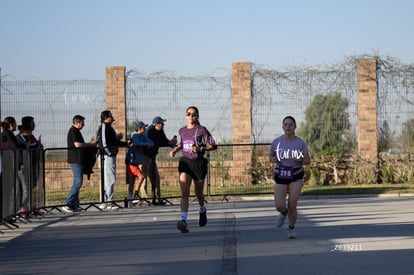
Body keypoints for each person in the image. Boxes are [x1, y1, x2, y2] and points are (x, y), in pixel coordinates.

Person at [169, 106, 217, 233]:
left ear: (197, 117)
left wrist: (201, 149)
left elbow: (213, 145)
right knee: (184, 191)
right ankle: (183, 220)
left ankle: (202, 209)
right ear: (185, 116)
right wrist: (175, 150)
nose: (191, 116)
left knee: (198, 193)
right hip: (185, 162)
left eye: (194, 114)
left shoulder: (202, 130)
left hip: (198, 163)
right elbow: (183, 143)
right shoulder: (182, 131)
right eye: (188, 114)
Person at [269, 116, 311, 239]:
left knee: (292, 204)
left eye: (290, 124)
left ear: (295, 127)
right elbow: (270, 158)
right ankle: (283, 212)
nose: (288, 127)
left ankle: (291, 229)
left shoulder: (300, 143)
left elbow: (308, 161)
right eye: (286, 125)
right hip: (281, 174)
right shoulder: (276, 142)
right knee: (279, 205)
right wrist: (274, 159)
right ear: (283, 127)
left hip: (296, 174)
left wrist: (300, 159)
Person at [62, 115, 98, 213]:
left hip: (80, 160)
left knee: (77, 182)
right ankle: (67, 203)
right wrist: (91, 144)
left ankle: (75, 204)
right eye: (82, 123)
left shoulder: (76, 131)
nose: (83, 125)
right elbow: (77, 145)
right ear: (77, 123)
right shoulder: (73, 131)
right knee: (78, 183)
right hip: (76, 160)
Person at [97, 110, 127, 210]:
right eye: (110, 116)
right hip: (107, 156)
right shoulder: (104, 127)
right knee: (109, 179)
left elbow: (113, 142)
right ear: (105, 118)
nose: (112, 118)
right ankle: (109, 202)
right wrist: (109, 153)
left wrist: (125, 143)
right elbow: (104, 143)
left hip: (110, 156)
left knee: (109, 178)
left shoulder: (109, 128)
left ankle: (106, 200)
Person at [144, 116, 177, 205]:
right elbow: (154, 142)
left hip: (153, 157)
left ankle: (157, 197)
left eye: (163, 123)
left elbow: (164, 141)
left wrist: (171, 143)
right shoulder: (150, 131)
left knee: (156, 178)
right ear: (156, 124)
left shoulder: (160, 131)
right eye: (161, 123)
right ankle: (145, 199)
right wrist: (167, 143)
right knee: (143, 178)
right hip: (145, 157)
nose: (163, 125)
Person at [1, 117, 27, 217]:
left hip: (12, 165)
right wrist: (24, 145)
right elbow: (14, 146)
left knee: (14, 188)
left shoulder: (9, 134)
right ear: (11, 125)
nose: (16, 125)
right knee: (8, 190)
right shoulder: (6, 134)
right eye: (15, 124)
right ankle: (6, 213)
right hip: (8, 165)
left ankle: (10, 212)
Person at [125, 121, 154, 207]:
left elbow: (152, 143)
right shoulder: (134, 135)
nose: (145, 129)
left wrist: (147, 143)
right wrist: (146, 144)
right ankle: (136, 194)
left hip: (136, 161)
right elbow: (137, 143)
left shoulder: (143, 136)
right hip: (131, 161)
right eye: (144, 128)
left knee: (132, 180)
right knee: (141, 176)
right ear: (140, 128)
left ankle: (130, 198)